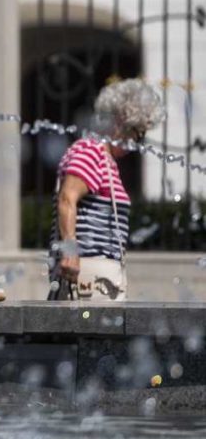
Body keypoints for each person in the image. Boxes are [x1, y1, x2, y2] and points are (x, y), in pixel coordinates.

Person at [48, 79, 164, 301]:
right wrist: (71, 251)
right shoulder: (90, 151)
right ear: (120, 122)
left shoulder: (106, 160)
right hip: (88, 273)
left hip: (101, 276)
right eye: (137, 132)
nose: (138, 142)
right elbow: (67, 198)